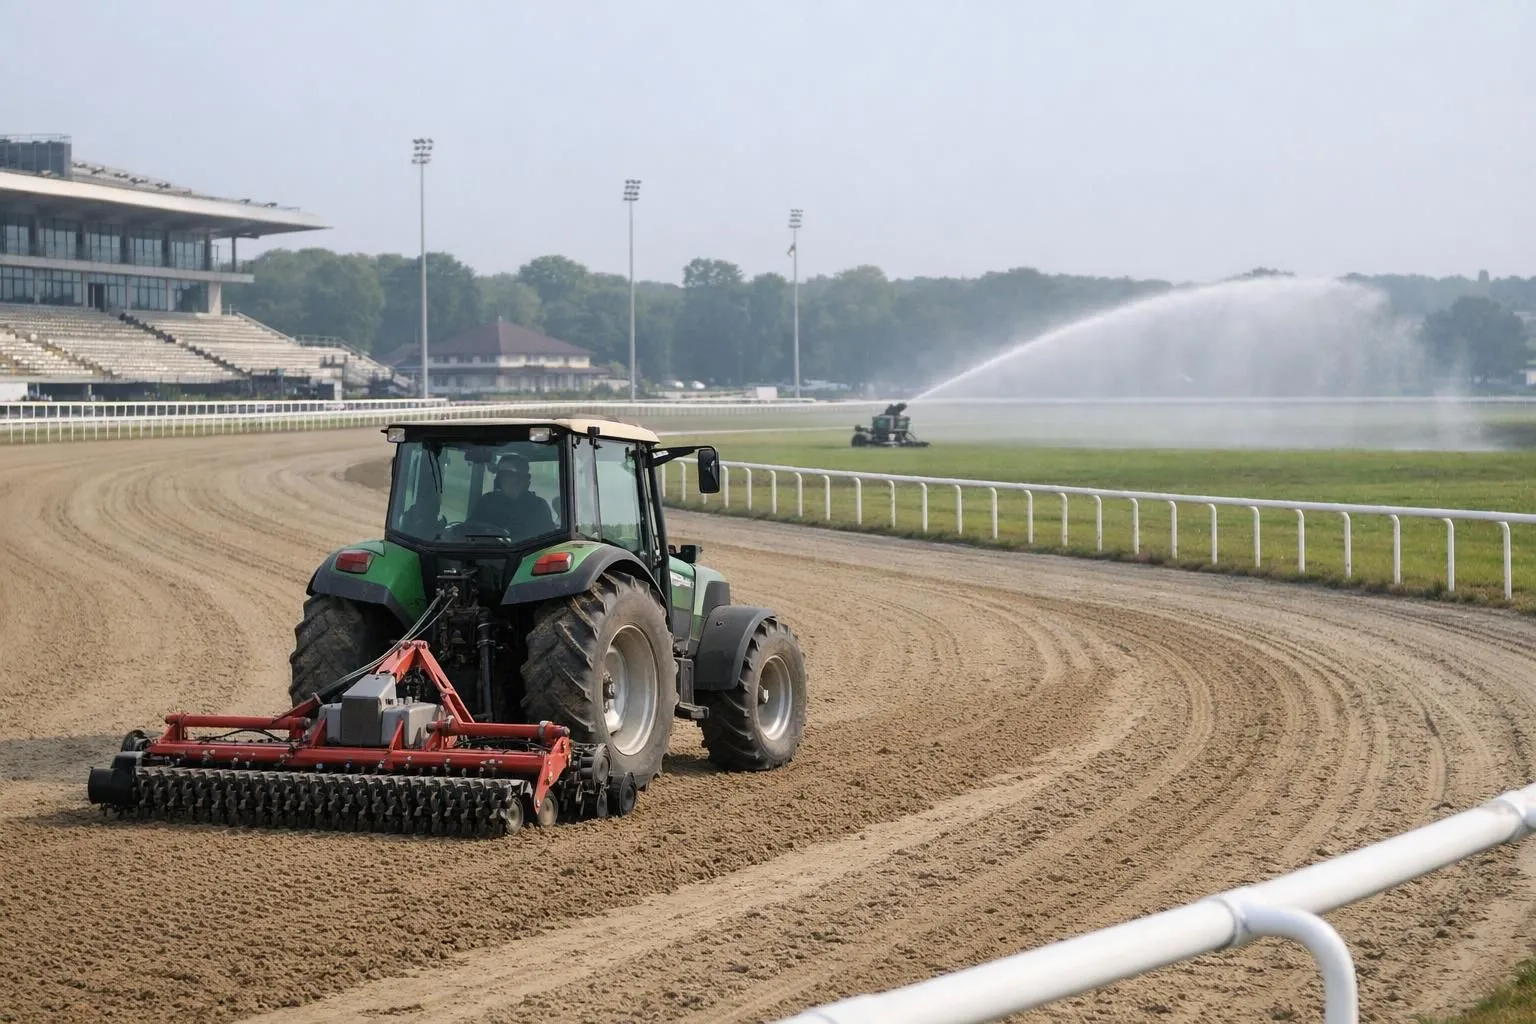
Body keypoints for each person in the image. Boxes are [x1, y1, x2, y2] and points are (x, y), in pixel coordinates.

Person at [472, 454, 555, 536]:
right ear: (498, 480)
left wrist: (510, 534)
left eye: (513, 475)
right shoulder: (487, 501)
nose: (511, 481)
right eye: (504, 476)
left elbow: (546, 539)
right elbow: (470, 529)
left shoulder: (538, 505)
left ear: (525, 479)